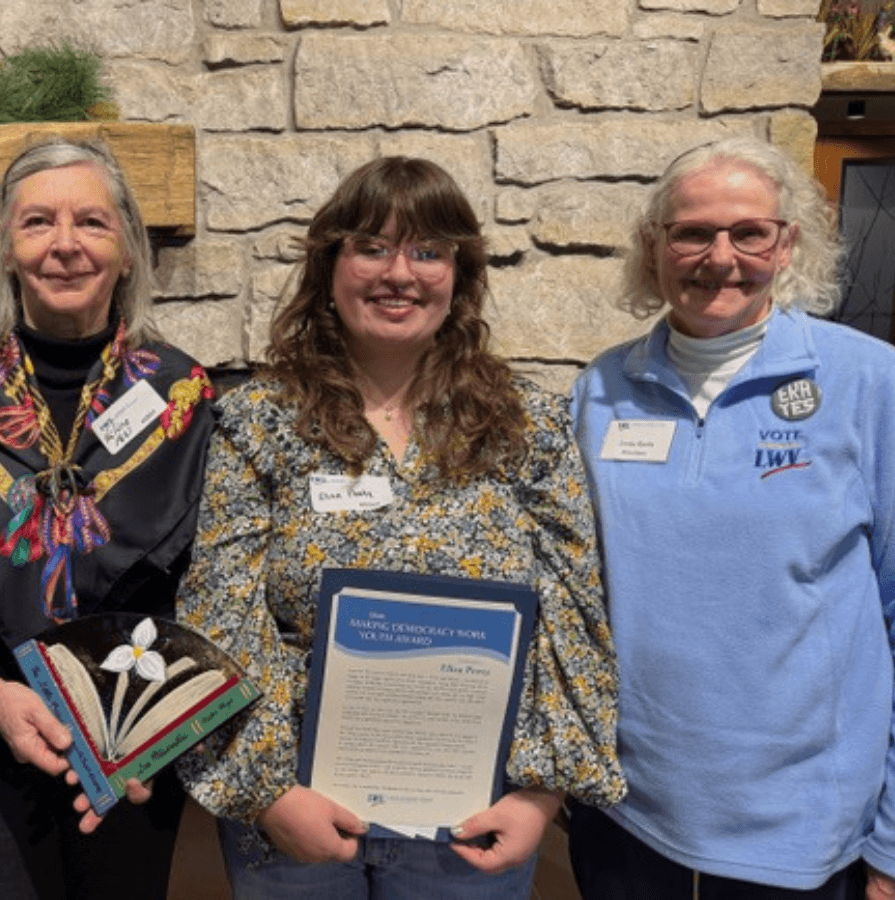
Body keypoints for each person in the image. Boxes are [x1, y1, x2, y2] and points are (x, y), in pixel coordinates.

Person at [172, 156, 627, 900]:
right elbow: (219, 612)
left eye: (428, 251)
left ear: (461, 273)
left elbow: (573, 617)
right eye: (372, 247)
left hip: (474, 814)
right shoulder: (259, 421)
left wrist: (541, 794)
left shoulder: (528, 427)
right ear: (329, 265)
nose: (400, 273)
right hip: (297, 813)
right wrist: (267, 791)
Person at [0, 136, 216, 900]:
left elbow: (214, 593)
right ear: (4, 245)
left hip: (136, 744)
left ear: (126, 248)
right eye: (38, 223)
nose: (65, 245)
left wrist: (149, 732)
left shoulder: (187, 400)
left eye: (91, 222)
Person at [567, 135, 895, 899]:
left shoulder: (872, 383)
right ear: (654, 248)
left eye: (748, 232)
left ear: (788, 245)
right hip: (626, 817)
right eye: (692, 232)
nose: (720, 257)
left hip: (804, 834)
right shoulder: (602, 390)